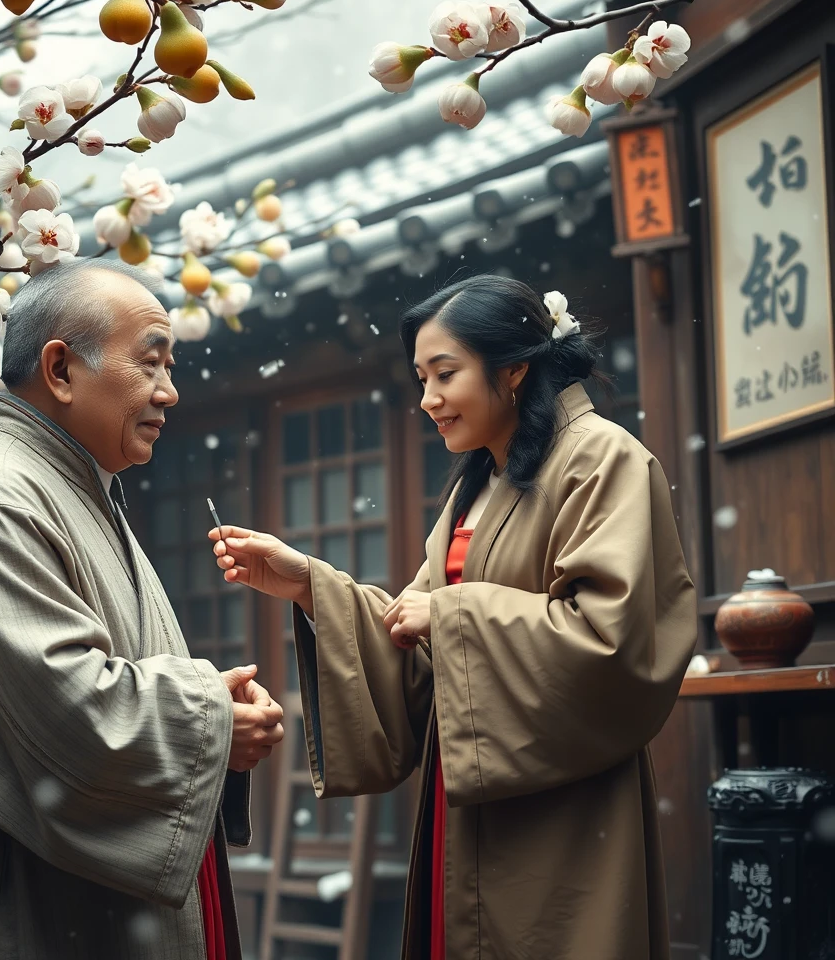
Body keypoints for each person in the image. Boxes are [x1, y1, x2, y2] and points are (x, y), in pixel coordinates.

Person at [211, 274, 697, 960]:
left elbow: (613, 639)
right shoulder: (478, 486)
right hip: (467, 801)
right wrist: (310, 586)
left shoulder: (601, 458)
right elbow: (416, 639)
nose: (428, 400)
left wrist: (453, 615)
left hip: (564, 807)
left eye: (445, 374)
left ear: (515, 369)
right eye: (420, 379)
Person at [0, 257, 283, 960]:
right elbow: (67, 716)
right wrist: (211, 717)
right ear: (62, 370)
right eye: (151, 364)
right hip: (31, 921)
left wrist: (211, 713)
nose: (170, 392)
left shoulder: (66, 484)